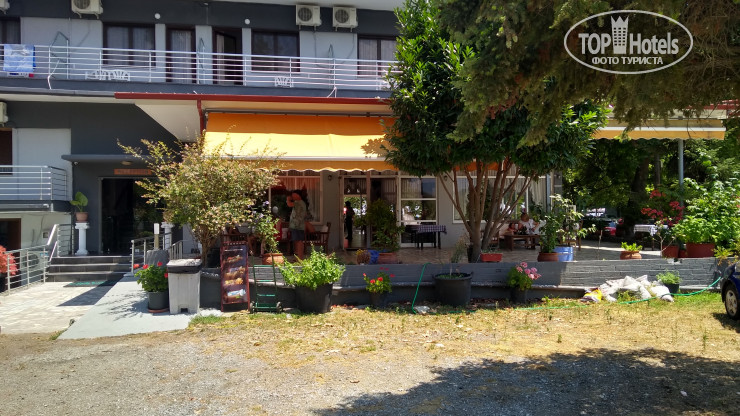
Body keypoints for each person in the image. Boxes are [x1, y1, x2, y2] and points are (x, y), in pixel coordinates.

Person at [286, 190, 307, 259]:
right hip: (296, 226)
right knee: (296, 241)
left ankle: (300, 258)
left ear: (298, 195)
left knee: (299, 241)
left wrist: (288, 199)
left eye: (293, 195)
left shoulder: (299, 202)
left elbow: (289, 204)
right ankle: (298, 258)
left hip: (298, 226)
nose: (292, 196)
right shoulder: (298, 202)